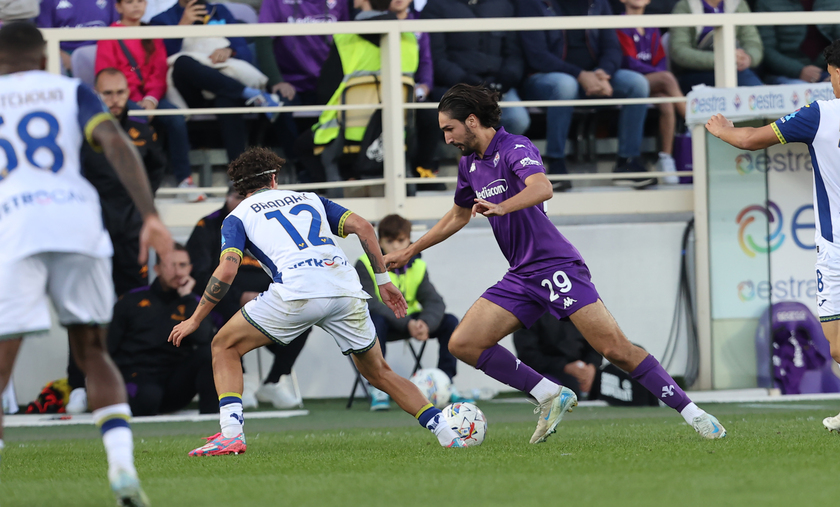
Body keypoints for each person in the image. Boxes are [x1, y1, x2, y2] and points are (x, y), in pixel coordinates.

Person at [385, 83, 726, 444]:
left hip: (555, 266)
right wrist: (410, 250)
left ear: (471, 121)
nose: (447, 138)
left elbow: (542, 187)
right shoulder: (469, 165)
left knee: (615, 350)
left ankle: (696, 414)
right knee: (464, 343)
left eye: (448, 129)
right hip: (521, 275)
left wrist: (503, 206)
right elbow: (457, 215)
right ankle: (550, 393)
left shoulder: (515, 146)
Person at [168, 147, 466, 456]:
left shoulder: (236, 216)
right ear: (274, 179)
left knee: (224, 346)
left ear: (239, 189)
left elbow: (227, 269)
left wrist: (196, 318)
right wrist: (383, 281)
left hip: (296, 292)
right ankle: (447, 433)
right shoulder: (310, 198)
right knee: (380, 372)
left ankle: (232, 433)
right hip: (345, 288)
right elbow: (363, 227)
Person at [0, 21, 173, 506]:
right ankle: (121, 466)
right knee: (93, 350)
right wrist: (152, 217)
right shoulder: (69, 90)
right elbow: (117, 144)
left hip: (16, 226)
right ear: (43, 61)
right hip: (78, 222)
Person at [704, 39, 840, 433]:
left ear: (835, 72)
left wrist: (722, 129)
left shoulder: (822, 114)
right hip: (833, 246)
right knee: (835, 345)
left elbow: (750, 140)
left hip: (834, 247)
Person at [64, 67, 168, 415]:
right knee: (84, 311)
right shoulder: (81, 133)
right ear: (96, 94)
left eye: (121, 92)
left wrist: (144, 205)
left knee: (132, 307)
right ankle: (79, 385)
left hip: (131, 233)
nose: (115, 100)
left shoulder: (141, 131)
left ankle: (127, 379)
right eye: (107, 93)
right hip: (90, 229)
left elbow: (157, 167)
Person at [187, 184, 310, 409]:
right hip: (225, 301)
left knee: (304, 317)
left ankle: (273, 381)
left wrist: (275, 293)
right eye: (237, 197)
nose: (243, 203)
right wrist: (239, 295)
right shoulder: (209, 225)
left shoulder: (268, 224)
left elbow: (287, 266)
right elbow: (200, 273)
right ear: (227, 198)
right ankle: (241, 382)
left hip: (269, 298)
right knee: (225, 317)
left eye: (247, 198)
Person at [517, 0, 655, 190]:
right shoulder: (535, 3)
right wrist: (580, 75)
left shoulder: (598, 3)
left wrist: (604, 73)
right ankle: (555, 164)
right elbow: (537, 56)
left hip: (593, 76)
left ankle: (627, 162)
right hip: (544, 78)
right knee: (565, 85)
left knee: (637, 83)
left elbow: (612, 47)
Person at [150, 0, 281, 164]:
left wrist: (229, 51)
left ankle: (238, 179)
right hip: (192, 94)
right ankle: (250, 93)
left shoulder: (220, 11)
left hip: (223, 85)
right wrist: (182, 26)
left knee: (227, 99)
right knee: (183, 62)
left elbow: (245, 53)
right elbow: (160, 60)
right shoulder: (161, 19)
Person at [96, 0, 200, 201]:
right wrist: (136, 99)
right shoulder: (109, 35)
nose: (136, 6)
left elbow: (159, 71)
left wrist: (151, 99)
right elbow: (108, 75)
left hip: (151, 97)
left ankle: (184, 179)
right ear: (118, 7)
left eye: (140, 1)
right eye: (129, 2)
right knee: (137, 119)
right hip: (123, 97)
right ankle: (136, 182)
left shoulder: (152, 33)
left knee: (176, 118)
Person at [354, 214, 460, 411]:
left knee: (450, 322)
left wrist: (425, 323)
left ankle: (446, 381)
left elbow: (434, 301)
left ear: (409, 240)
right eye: (389, 241)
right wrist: (407, 323)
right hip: (385, 325)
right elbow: (371, 303)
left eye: (401, 240)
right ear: (379, 242)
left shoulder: (419, 265)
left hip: (411, 322)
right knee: (375, 320)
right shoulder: (364, 264)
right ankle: (378, 388)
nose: (395, 246)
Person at [418, 0, 528, 178]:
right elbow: (436, 58)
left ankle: (500, 171)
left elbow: (514, 54)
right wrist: (467, 82)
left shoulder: (503, 5)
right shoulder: (436, 6)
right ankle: (475, 170)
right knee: (463, 123)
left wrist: (505, 80)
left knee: (517, 119)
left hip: (498, 86)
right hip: (455, 86)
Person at [109, 244, 217, 416]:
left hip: (175, 382)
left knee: (210, 353)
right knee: (148, 397)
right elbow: (109, 347)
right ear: (157, 268)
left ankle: (212, 423)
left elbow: (204, 338)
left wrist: (188, 298)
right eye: (171, 265)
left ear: (190, 268)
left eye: (183, 265)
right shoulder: (130, 301)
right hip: (138, 378)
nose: (178, 271)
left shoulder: (194, 303)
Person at [617, 0, 684, 184]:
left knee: (667, 104)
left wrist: (659, 75)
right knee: (668, 79)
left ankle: (665, 158)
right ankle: (691, 118)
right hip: (632, 81)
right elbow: (628, 62)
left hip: (653, 81)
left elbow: (660, 59)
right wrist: (659, 75)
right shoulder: (617, 24)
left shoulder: (652, 25)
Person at [668, 0, 763, 93]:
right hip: (696, 73)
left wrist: (747, 58)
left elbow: (753, 42)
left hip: (737, 68)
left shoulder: (738, 4)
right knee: (745, 82)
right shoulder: (685, 6)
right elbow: (679, 51)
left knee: (742, 77)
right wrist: (721, 60)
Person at [513, 314, 601, 399]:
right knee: (568, 390)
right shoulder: (530, 313)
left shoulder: (579, 310)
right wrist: (564, 366)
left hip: (582, 369)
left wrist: (591, 368)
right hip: (547, 371)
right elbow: (527, 356)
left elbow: (595, 346)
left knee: (609, 379)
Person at [756, 0, 840, 85]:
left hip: (829, 70)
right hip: (785, 75)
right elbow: (766, 49)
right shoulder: (767, 3)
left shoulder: (834, 2)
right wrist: (799, 71)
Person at [35, 0, 118, 74]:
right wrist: (63, 56)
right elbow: (43, 36)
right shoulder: (48, 2)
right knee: (54, 61)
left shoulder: (111, 2)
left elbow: (116, 29)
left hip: (98, 50)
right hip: (63, 52)